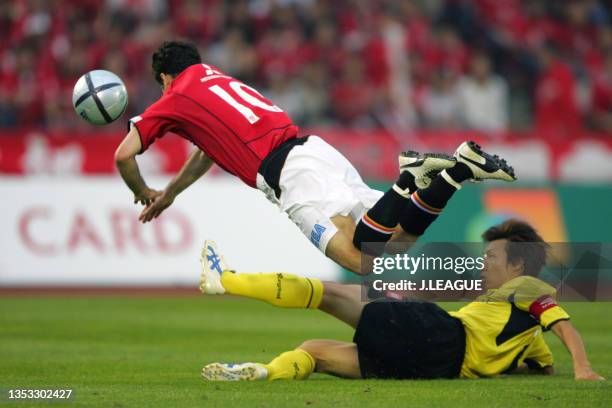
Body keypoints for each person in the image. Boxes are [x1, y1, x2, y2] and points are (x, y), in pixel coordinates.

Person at [114, 41, 516, 276]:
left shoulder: (175, 97)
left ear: (164, 77)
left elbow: (124, 155)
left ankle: (407, 179)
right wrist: (171, 193)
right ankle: (456, 173)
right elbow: (207, 152)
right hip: (315, 151)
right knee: (392, 247)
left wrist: (144, 190)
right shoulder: (214, 78)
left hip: (289, 174)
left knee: (362, 263)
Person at [198, 219, 605, 382]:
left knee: (333, 293)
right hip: (434, 367)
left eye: (491, 257)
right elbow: (542, 366)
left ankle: (226, 281)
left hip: (441, 334)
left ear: (518, 267)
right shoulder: (522, 330)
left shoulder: (529, 288)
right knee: (314, 352)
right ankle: (264, 372)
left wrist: (583, 368)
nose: (482, 264)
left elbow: (562, 325)